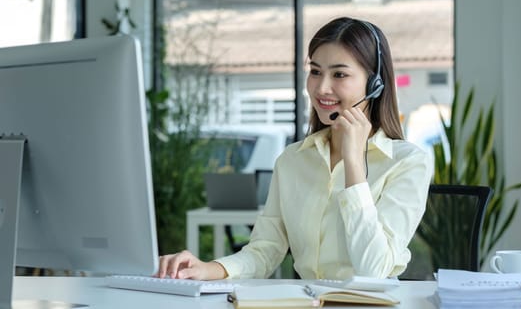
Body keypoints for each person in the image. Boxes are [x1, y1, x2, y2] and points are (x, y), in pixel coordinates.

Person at [156, 17, 433, 281]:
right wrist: (209, 269)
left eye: (339, 74)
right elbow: (265, 248)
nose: (322, 87)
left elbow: (374, 270)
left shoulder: (408, 163)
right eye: (315, 72)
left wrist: (354, 164)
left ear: (374, 84)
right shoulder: (292, 160)